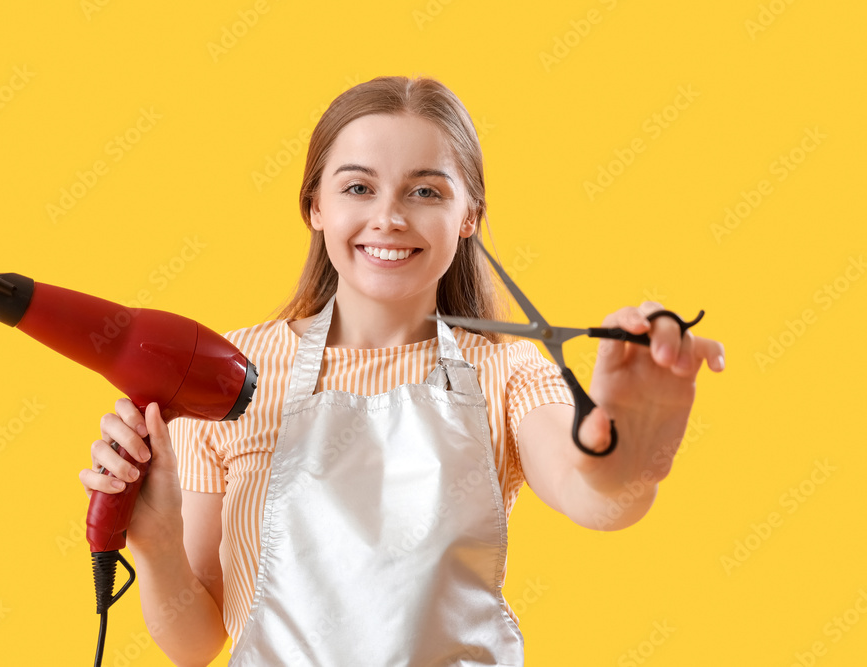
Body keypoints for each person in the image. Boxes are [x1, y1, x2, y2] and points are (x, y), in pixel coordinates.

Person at [79, 76, 725, 666]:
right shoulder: (226, 374)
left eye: (425, 190)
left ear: (468, 215)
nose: (389, 216)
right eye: (358, 186)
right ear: (316, 207)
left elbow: (593, 495)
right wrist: (157, 541)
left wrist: (630, 453)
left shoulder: (503, 369)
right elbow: (195, 642)